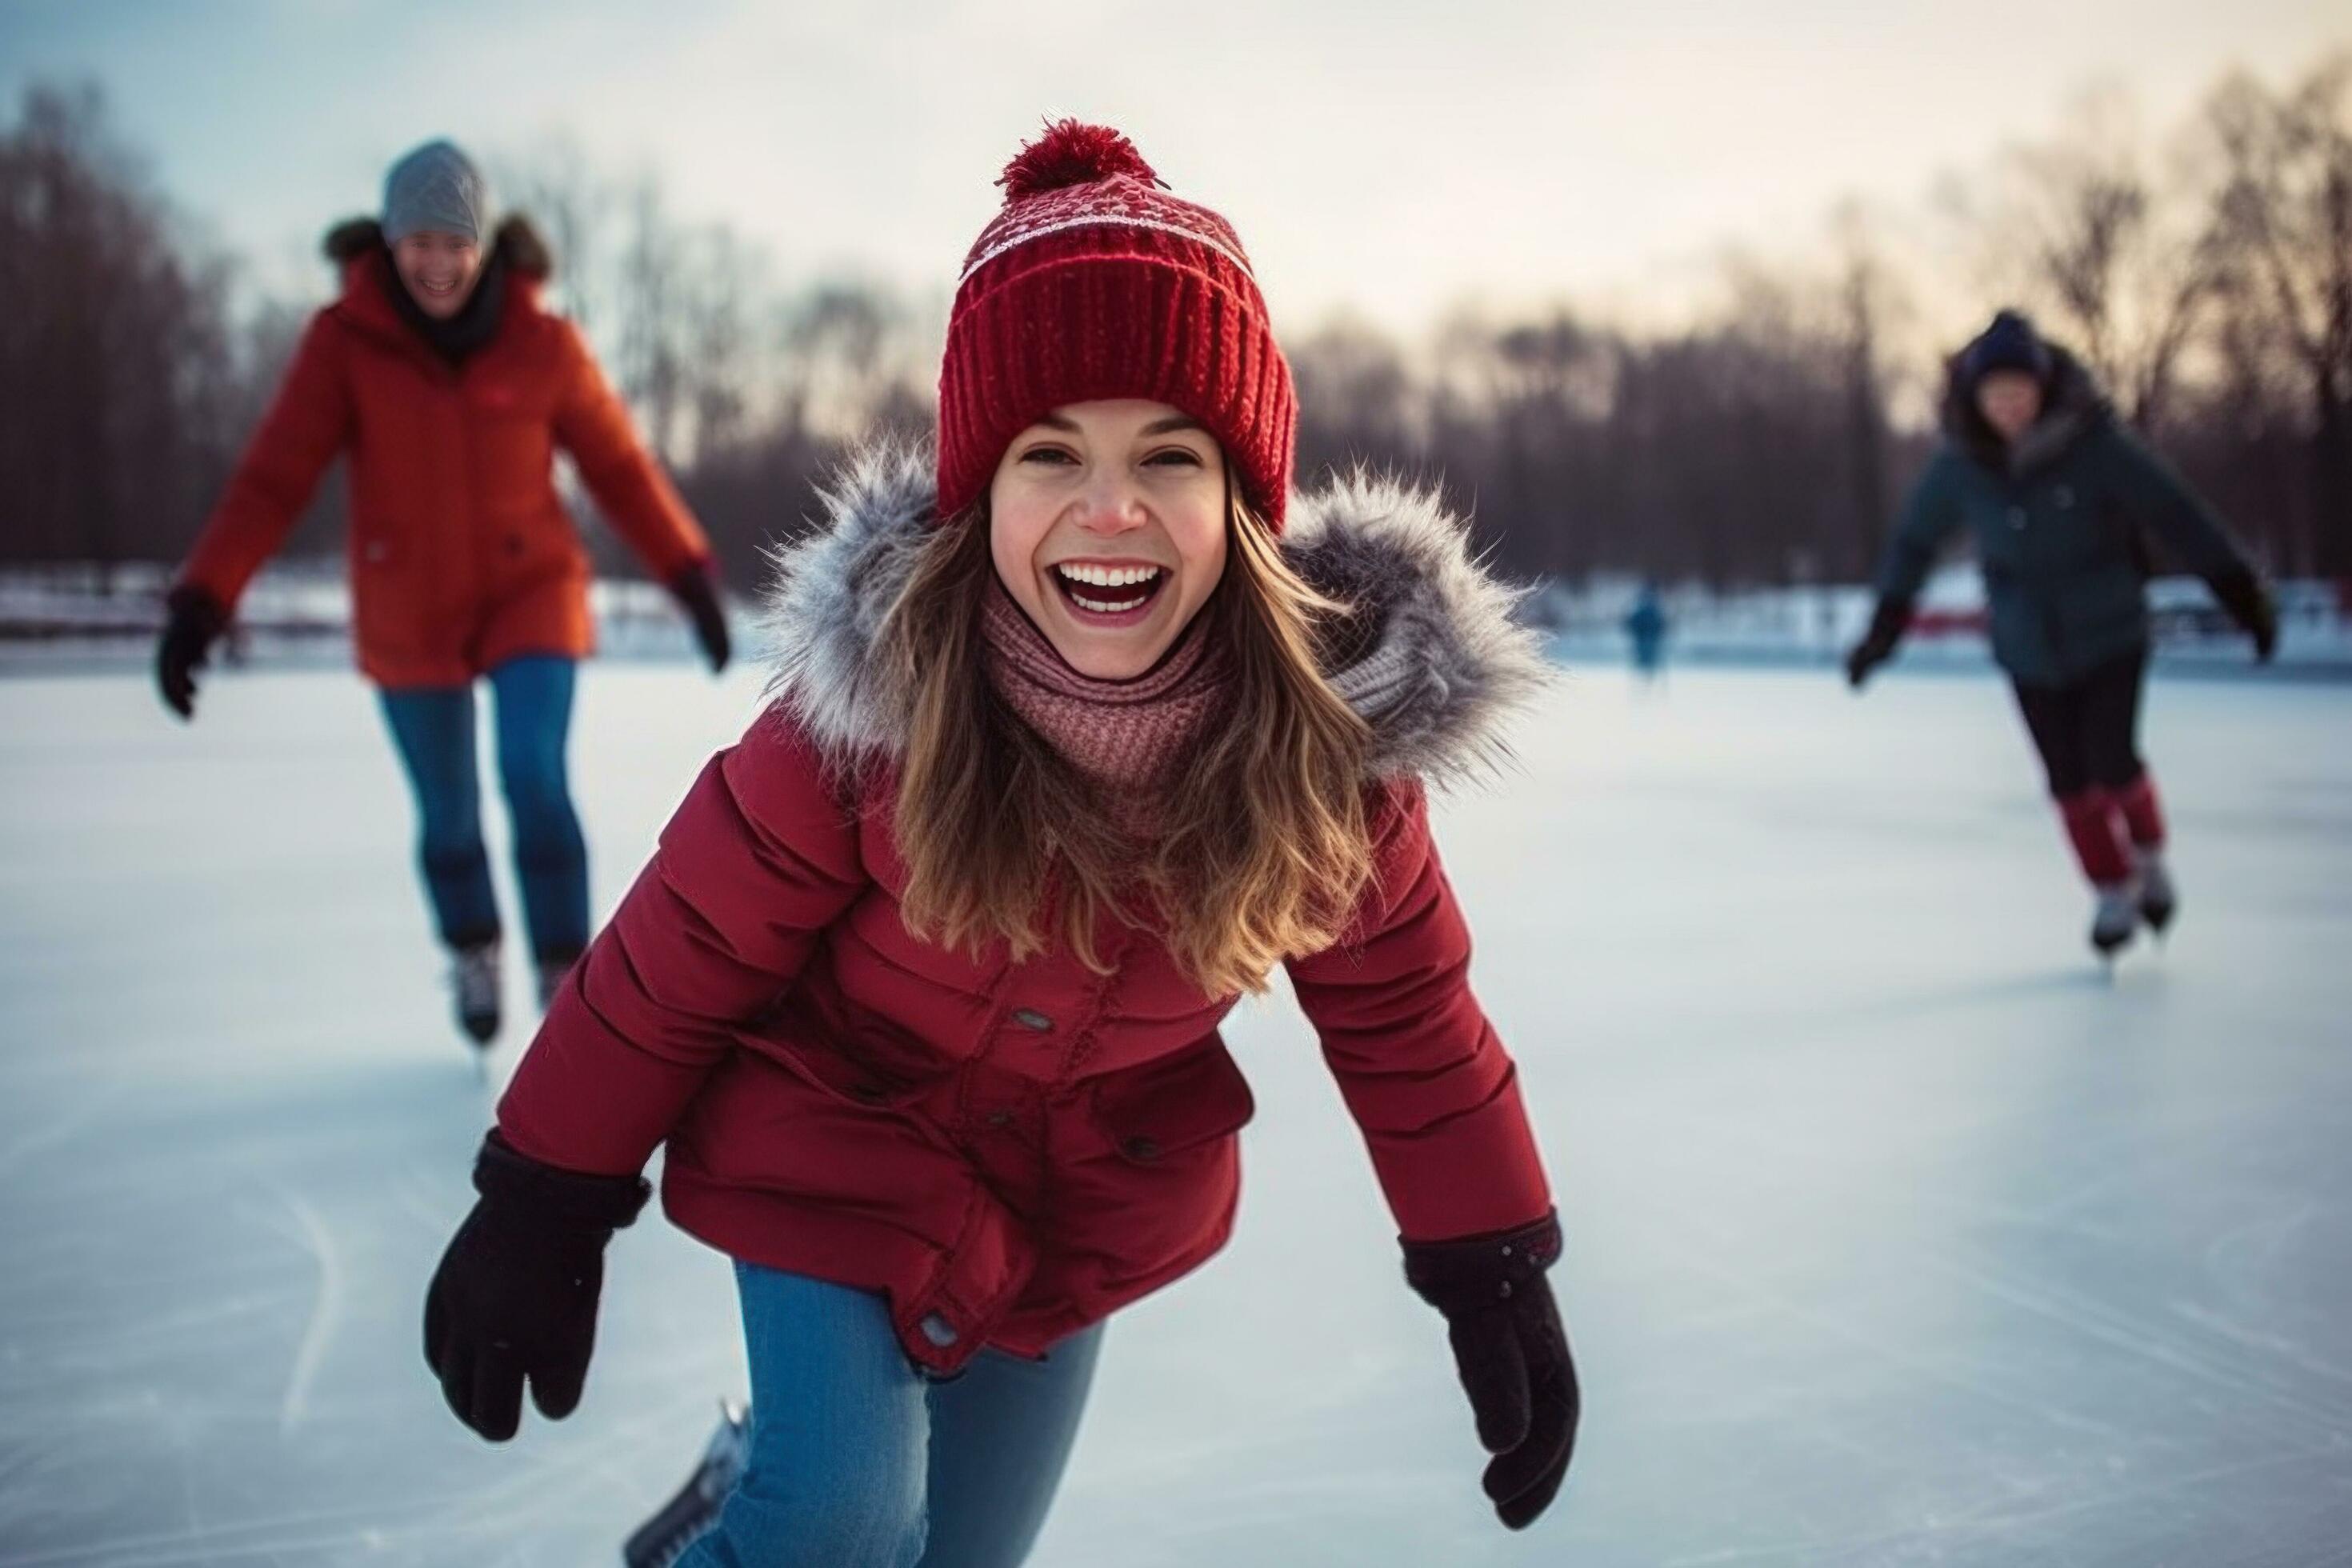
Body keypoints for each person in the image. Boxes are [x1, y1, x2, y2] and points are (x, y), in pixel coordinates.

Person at [420, 122, 1578, 1566]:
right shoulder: (873, 720)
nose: (1111, 508)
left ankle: (738, 1488)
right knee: (838, 1524)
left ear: (1246, 504)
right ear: (978, 495)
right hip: (829, 1134)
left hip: (1074, 1197)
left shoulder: (1327, 762)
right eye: (1051, 455)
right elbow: (684, 951)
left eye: (1172, 453)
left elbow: (1409, 1018)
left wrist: (1493, 1259)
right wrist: (546, 1188)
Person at [155, 140, 730, 1046]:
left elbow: (618, 464)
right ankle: (473, 945)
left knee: (534, 777)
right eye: (418, 242)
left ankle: (562, 972)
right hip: (406, 604)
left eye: (454, 243)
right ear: (389, 245)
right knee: (449, 814)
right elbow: (274, 478)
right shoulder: (343, 344)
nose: (437, 263)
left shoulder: (544, 342)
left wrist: (688, 573)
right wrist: (203, 600)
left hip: (530, 591)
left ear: (485, 243)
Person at [1846, 310, 2276, 958]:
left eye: (2020, 394)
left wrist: (2240, 593)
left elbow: (2174, 511)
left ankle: (2150, 858)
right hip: (2027, 646)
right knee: (2067, 781)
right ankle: (2111, 888)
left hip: (2110, 632)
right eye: (1997, 397)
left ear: (2042, 389)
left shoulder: (2094, 445)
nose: (2010, 409)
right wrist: (1884, 630)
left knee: (2112, 760)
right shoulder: (1961, 466)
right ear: (1976, 399)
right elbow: (1914, 543)